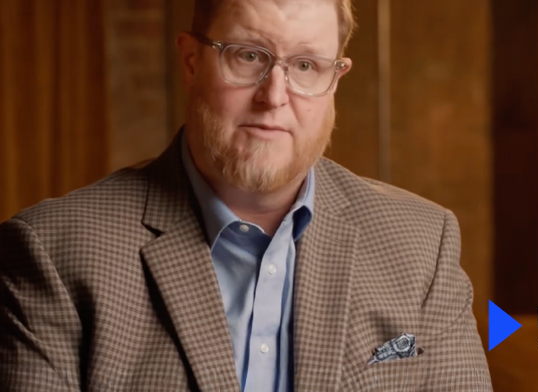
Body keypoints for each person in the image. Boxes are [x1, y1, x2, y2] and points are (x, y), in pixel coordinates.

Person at [0, 0, 492, 390]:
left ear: (335, 79)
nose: (274, 95)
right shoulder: (52, 253)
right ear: (192, 61)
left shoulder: (424, 242)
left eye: (305, 65)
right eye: (249, 56)